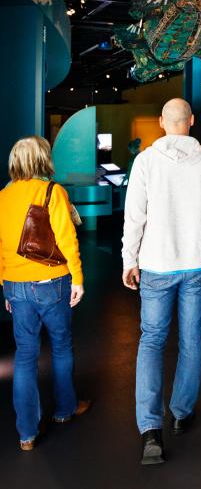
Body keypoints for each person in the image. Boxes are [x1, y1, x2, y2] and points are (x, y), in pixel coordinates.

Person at [122, 98, 201, 465]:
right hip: (196, 264)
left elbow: (134, 216)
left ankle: (150, 430)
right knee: (192, 339)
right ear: (192, 122)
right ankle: (182, 413)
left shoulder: (146, 162)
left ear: (161, 122)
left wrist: (129, 259)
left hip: (155, 264)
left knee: (151, 341)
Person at [0, 136, 91, 451]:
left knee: (24, 355)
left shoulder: (3, 196)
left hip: (15, 286)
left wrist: (5, 286)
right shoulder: (53, 191)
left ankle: (26, 433)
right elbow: (67, 240)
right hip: (52, 282)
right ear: (43, 159)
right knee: (61, 346)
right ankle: (65, 409)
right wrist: (77, 278)